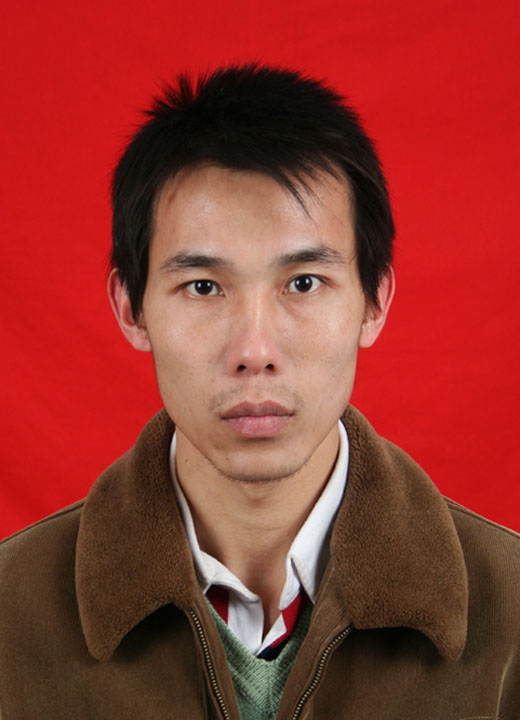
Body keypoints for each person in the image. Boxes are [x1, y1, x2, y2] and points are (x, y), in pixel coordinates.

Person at [0, 64, 519, 720]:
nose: (254, 351)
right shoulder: (11, 609)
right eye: (203, 287)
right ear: (131, 308)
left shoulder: (510, 608)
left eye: (303, 283)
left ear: (374, 302)